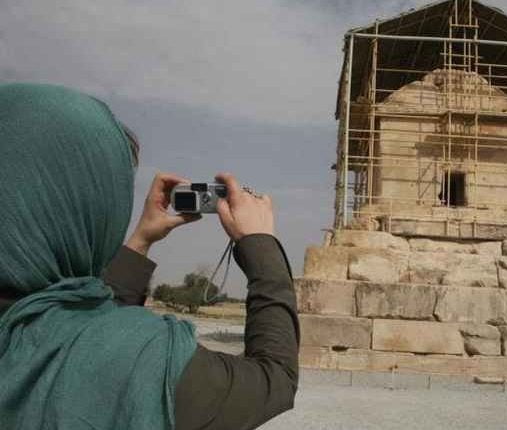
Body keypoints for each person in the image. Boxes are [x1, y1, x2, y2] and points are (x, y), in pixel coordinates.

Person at [0, 83, 299, 430]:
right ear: (94, 206)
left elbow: (88, 326)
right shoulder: (141, 360)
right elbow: (274, 379)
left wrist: (141, 240)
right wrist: (260, 244)